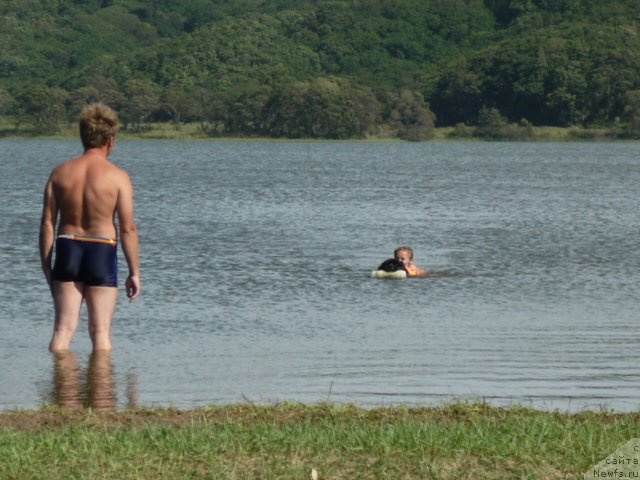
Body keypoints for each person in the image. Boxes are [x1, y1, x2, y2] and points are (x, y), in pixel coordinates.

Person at [39, 103, 140, 353]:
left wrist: (46, 264)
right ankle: (101, 391)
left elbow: (47, 223)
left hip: (67, 247)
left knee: (63, 330)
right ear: (111, 140)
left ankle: (60, 389)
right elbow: (127, 229)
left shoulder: (60, 173)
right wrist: (134, 271)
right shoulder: (118, 177)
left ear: (82, 136)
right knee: (100, 332)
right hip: (101, 250)